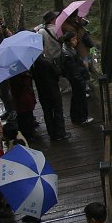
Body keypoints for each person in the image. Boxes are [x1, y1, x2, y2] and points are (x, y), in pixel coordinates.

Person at [33, 10, 68, 142]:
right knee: (57, 108)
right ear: (53, 19)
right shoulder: (57, 29)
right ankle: (60, 133)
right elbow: (62, 40)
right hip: (56, 58)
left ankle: (51, 133)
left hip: (42, 89)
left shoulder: (40, 32)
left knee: (47, 111)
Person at [58, 14, 93, 125]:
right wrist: (81, 80)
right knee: (80, 99)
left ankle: (76, 117)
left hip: (76, 79)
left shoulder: (69, 50)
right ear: (69, 41)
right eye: (74, 39)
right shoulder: (68, 54)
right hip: (77, 80)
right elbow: (74, 71)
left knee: (76, 98)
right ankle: (82, 118)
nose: (76, 41)